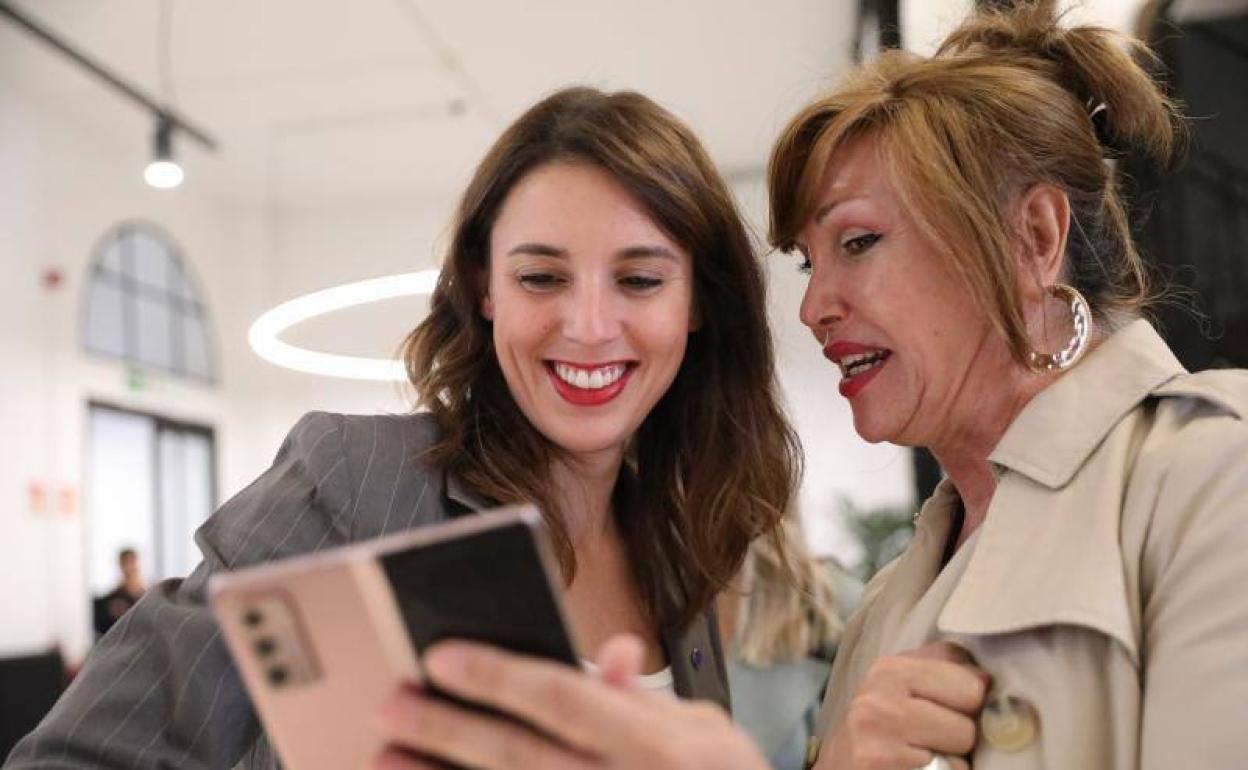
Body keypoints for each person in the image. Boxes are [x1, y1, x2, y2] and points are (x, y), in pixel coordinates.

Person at [370, 2, 1248, 769]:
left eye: (858, 243)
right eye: (807, 262)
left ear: (1033, 237)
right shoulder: (884, 609)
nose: (815, 307)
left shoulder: (1216, 482)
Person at [4, 86, 800, 769]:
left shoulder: (682, 539)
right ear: (486, 289)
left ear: (696, 303)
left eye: (638, 279)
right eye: (540, 276)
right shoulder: (355, 480)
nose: (589, 326)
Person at [92, 547, 147, 639]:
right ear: (121, 565)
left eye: (133, 562)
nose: (130, 567)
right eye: (127, 562)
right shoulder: (111, 600)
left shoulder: (149, 596)